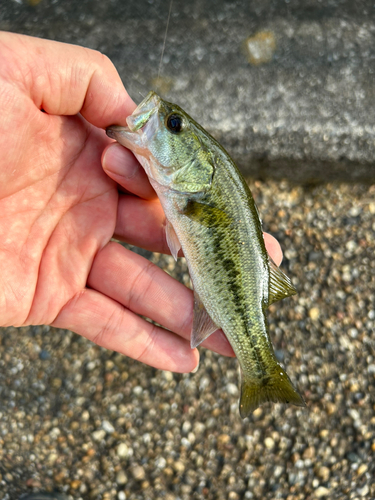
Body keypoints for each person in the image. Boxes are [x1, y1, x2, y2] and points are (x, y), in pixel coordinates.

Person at [0, 31, 283, 374]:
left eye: (173, 125)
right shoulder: (193, 195)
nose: (165, 120)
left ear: (200, 168)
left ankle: (260, 371)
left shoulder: (199, 194)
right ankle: (260, 367)